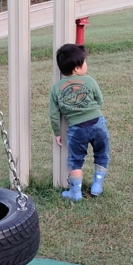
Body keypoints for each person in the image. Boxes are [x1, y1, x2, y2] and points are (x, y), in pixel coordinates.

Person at [49, 43, 110, 202]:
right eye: (84, 62)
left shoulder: (56, 88)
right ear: (77, 68)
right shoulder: (89, 81)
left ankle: (75, 193)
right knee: (102, 154)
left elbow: (54, 114)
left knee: (76, 161)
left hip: (76, 129)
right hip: (98, 123)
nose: (86, 65)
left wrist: (57, 132)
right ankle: (97, 186)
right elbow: (100, 100)